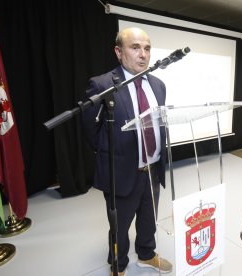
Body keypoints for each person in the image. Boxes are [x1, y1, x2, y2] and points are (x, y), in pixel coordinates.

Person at [82, 27, 172, 276]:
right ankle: (118, 265)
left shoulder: (158, 85)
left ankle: (146, 254)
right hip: (122, 170)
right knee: (119, 226)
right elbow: (91, 130)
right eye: (135, 48)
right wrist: (115, 155)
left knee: (148, 219)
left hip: (152, 168)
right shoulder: (101, 85)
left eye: (147, 48)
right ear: (119, 52)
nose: (143, 54)